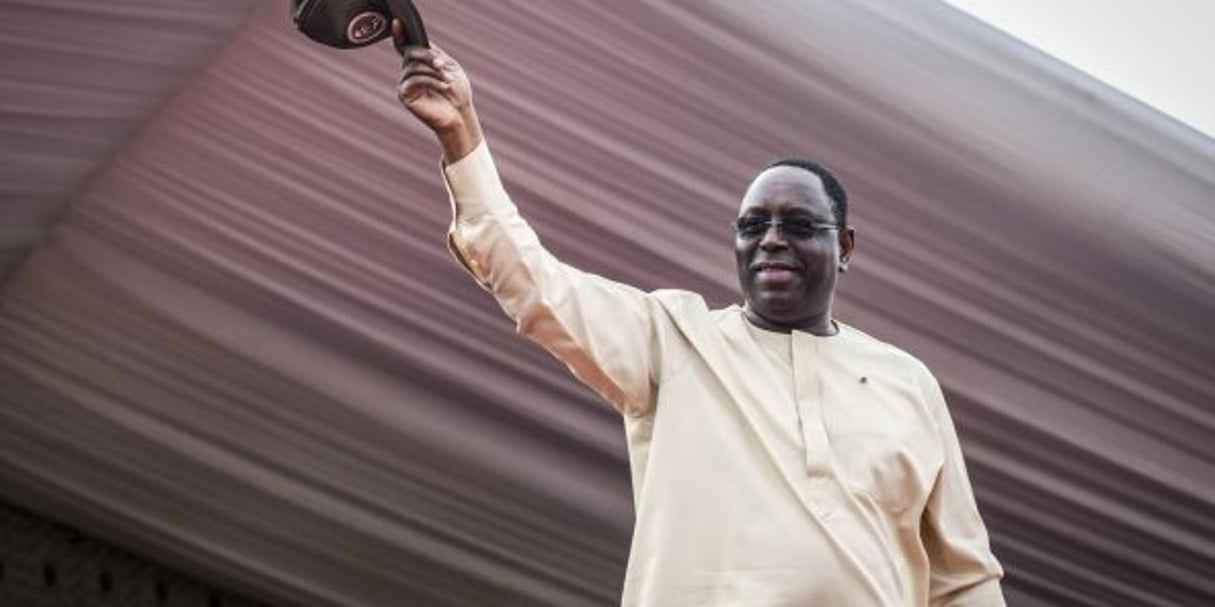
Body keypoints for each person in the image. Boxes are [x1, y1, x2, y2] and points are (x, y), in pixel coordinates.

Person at [392, 21, 1005, 607]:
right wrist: (462, 132)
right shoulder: (674, 341)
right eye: (751, 226)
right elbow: (536, 285)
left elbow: (965, 581)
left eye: (796, 225)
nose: (769, 240)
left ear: (843, 248)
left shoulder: (907, 382)